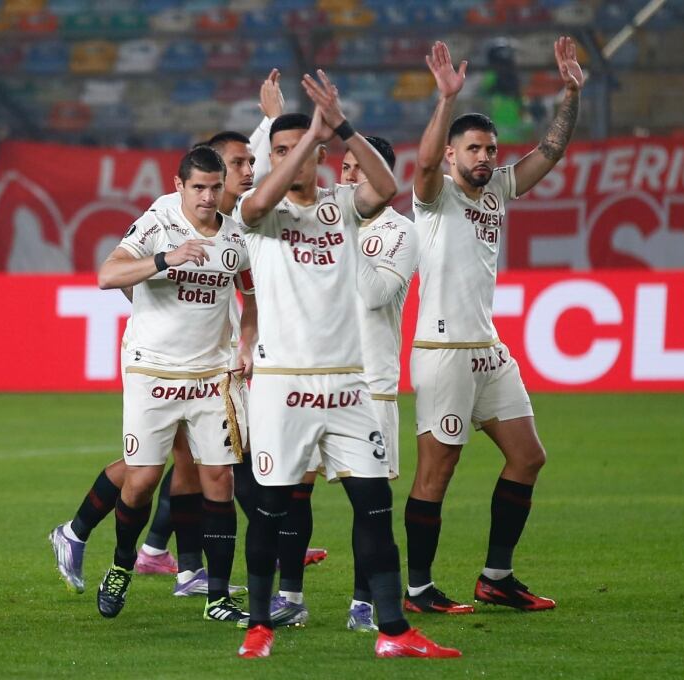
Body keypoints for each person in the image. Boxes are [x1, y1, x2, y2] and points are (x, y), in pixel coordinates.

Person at [232, 70, 458, 660]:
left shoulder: (340, 206)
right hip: (283, 385)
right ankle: (260, 624)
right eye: (278, 152)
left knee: (374, 508)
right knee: (271, 510)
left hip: (350, 386)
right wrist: (308, 133)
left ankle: (393, 631)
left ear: (324, 157)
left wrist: (342, 126)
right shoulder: (258, 216)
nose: (292, 159)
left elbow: (384, 187)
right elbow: (257, 200)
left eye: (301, 150)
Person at [403, 38, 583, 614]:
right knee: (439, 468)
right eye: (473, 148)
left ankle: (496, 577)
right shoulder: (433, 198)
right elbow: (425, 164)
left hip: (487, 347)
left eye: (490, 148)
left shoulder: (497, 190)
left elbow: (550, 152)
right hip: (444, 349)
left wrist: (570, 93)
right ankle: (417, 588)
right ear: (454, 154)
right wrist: (445, 102)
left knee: (528, 456)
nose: (485, 156)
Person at [50, 131, 261, 601]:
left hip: (211, 375)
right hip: (154, 369)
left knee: (216, 477)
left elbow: (252, 295)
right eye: (197, 188)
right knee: (143, 478)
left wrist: (246, 344)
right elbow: (108, 274)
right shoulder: (159, 221)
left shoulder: (235, 234)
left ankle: (211, 591)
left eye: (213, 187)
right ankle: (122, 564)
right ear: (179, 185)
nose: (207, 197)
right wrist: (166, 260)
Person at [265, 136, 419, 633]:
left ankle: (363, 604)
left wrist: (344, 234)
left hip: (370, 383)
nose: (349, 177)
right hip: (313, 378)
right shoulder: (317, 218)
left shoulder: (400, 232)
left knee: (368, 505)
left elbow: (375, 295)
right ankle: (290, 597)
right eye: (346, 167)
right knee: (295, 493)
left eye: (360, 170)